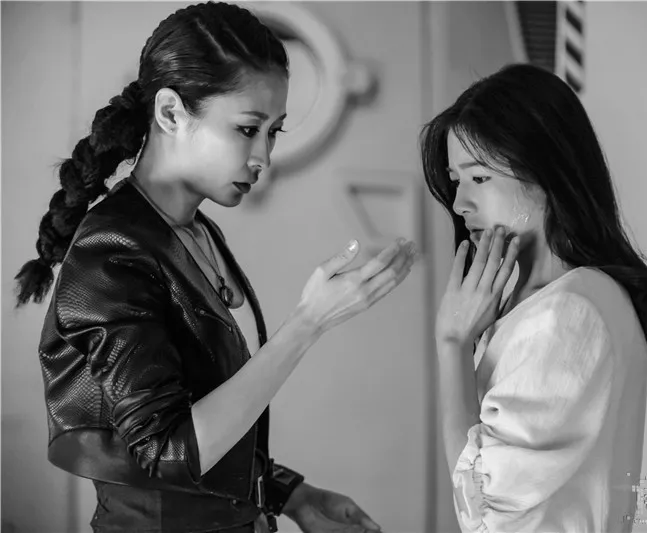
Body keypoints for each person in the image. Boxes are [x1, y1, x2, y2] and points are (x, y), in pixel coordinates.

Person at [14, 2, 417, 532]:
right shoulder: (110, 252)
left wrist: (291, 494)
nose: (263, 157)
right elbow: (167, 452)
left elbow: (205, 410)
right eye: (248, 129)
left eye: (274, 132)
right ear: (170, 113)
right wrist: (307, 323)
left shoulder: (198, 232)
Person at [420, 63, 647, 533]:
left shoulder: (565, 313)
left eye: (479, 179)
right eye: (456, 181)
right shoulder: (546, 301)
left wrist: (452, 345)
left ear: (546, 171)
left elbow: (483, 513)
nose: (459, 204)